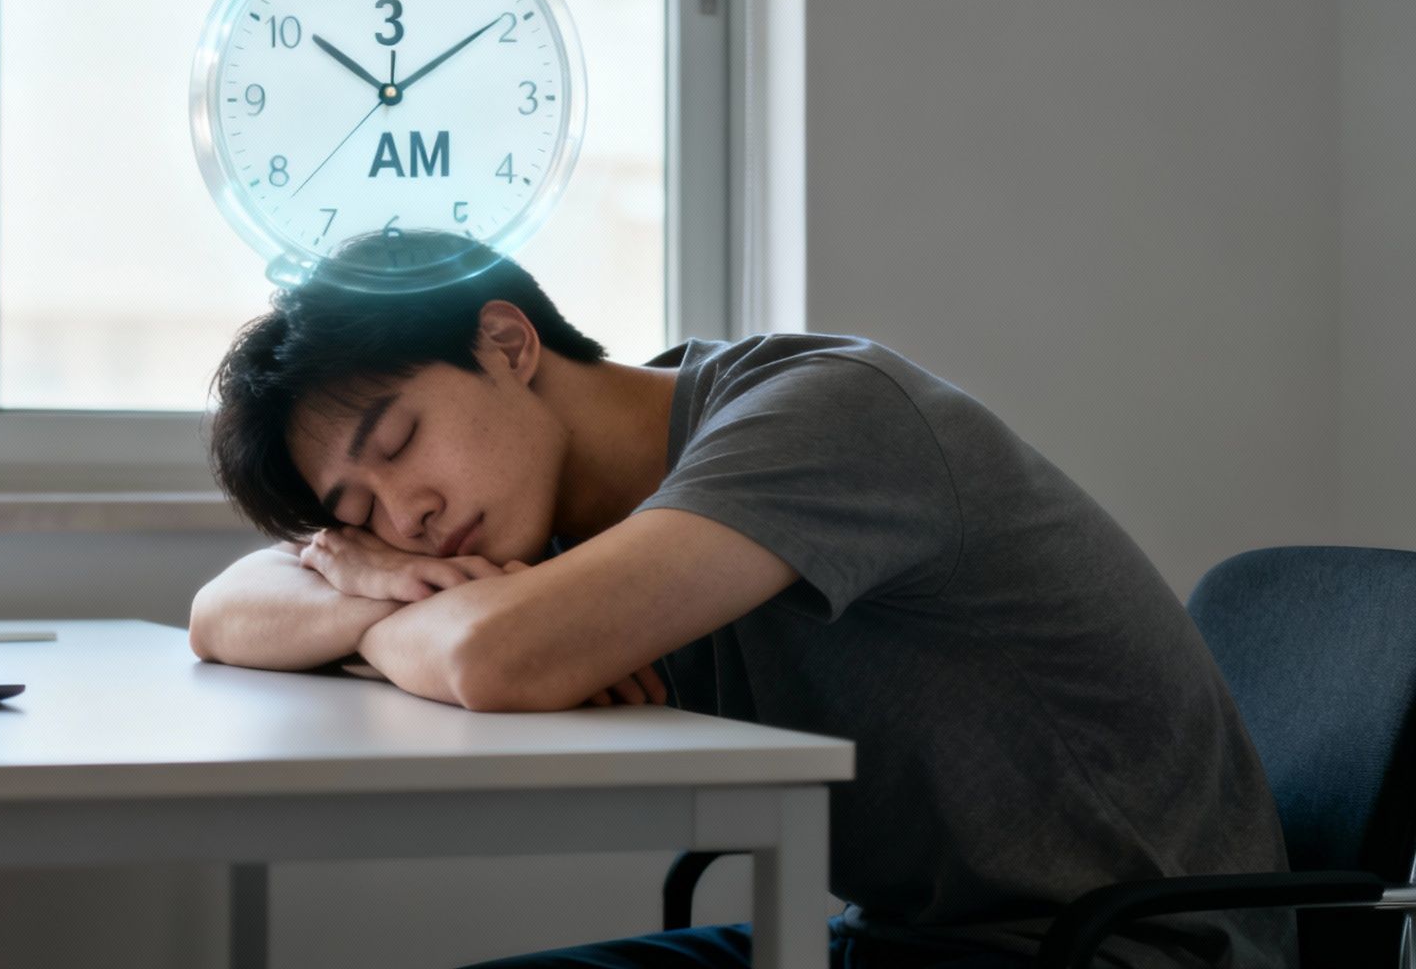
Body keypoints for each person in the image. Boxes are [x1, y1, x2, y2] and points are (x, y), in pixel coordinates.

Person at [189, 232, 1295, 969]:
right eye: (358, 510)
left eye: (398, 444)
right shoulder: (542, 517)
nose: (408, 516)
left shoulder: (816, 417)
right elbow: (222, 612)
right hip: (902, 941)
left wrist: (408, 619)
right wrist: (385, 586)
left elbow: (495, 663)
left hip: (1119, 954)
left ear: (507, 342)